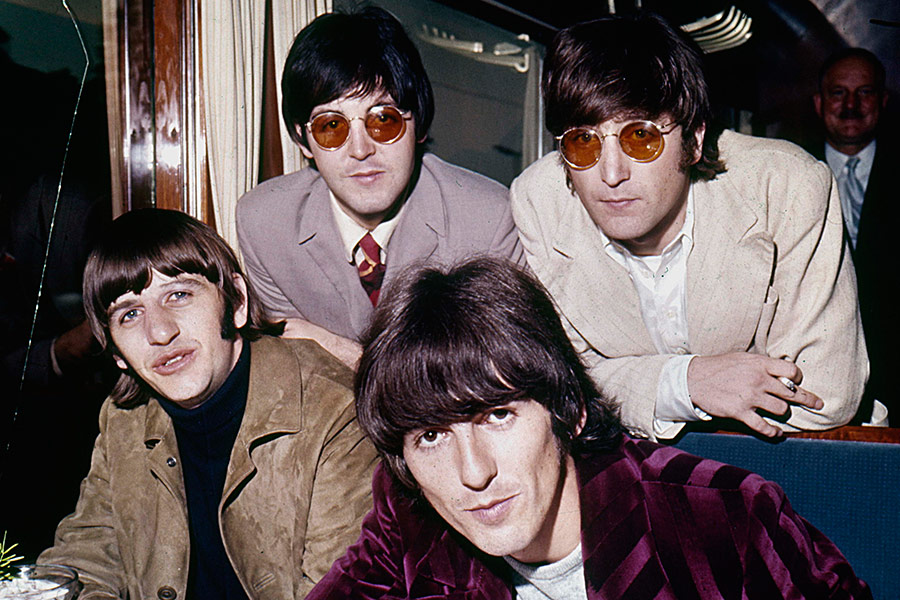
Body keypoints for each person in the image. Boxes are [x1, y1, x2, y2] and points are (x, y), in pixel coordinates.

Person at [306, 257, 871, 599]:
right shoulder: (411, 518)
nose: (472, 474)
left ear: (569, 412)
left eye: (498, 415)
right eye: (431, 436)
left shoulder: (726, 519)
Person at [509, 12, 866, 441]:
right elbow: (557, 385)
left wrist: (634, 385)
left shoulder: (786, 185)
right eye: (583, 141)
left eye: (641, 137)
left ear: (694, 140)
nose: (611, 174)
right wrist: (685, 384)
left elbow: (826, 392)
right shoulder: (539, 200)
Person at [37, 209, 378, 598]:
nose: (160, 332)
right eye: (129, 314)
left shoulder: (334, 410)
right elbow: (87, 558)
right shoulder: (124, 419)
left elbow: (336, 591)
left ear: (236, 301)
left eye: (179, 295)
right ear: (116, 353)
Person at [237, 7, 523, 368]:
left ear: (419, 124)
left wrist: (343, 352)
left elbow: (494, 373)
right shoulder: (264, 224)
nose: (360, 150)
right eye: (331, 126)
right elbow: (296, 371)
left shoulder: (488, 220)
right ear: (302, 140)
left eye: (383, 120)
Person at [812, 48, 896, 425]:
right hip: (816, 372)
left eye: (864, 92)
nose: (851, 105)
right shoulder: (784, 171)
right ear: (818, 103)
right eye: (838, 93)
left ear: (883, 101)